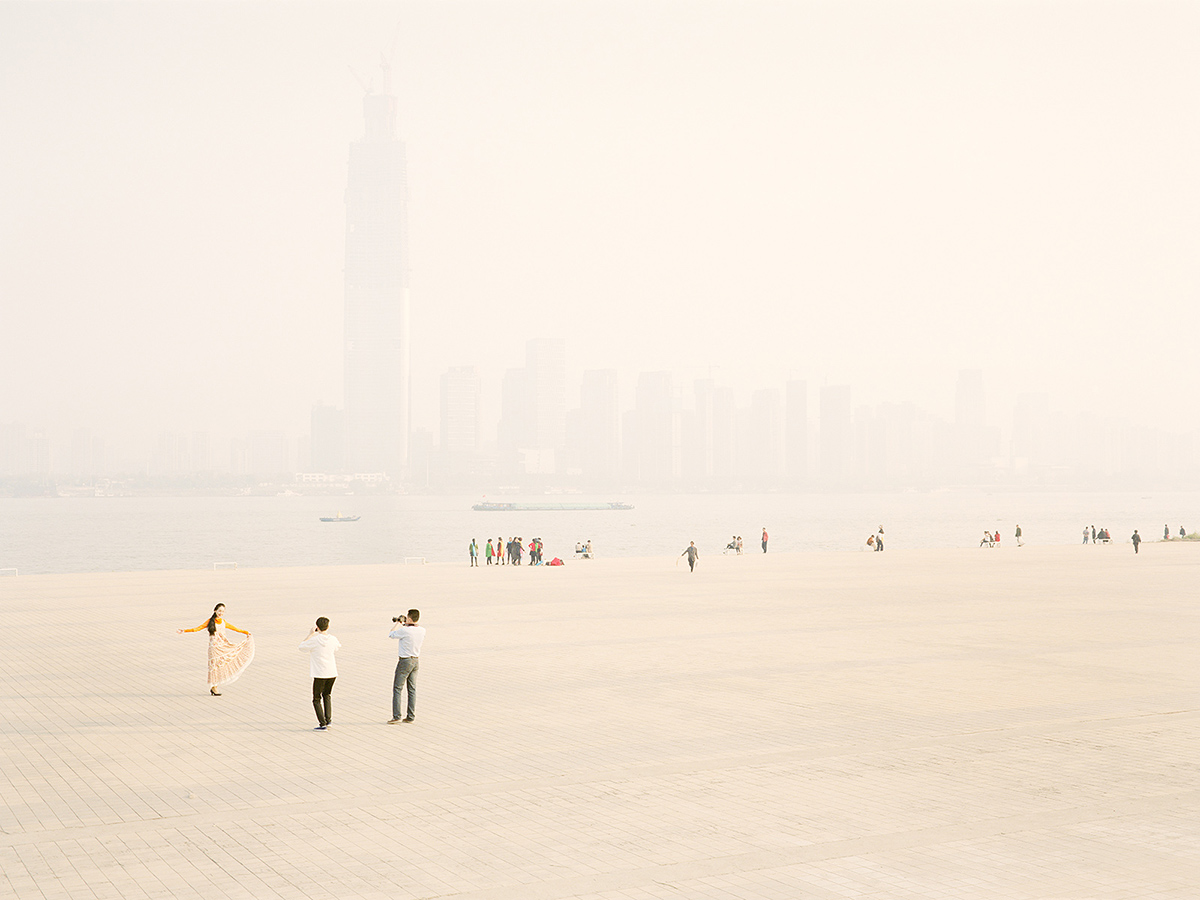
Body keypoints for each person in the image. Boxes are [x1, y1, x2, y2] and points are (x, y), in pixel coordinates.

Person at [177, 603, 254, 696]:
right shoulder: (210, 621)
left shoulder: (223, 622)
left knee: (224, 662)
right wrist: (184, 630)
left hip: (222, 646)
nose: (221, 613)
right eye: (219, 611)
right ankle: (214, 687)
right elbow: (197, 628)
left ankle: (214, 687)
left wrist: (246, 632)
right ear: (215, 611)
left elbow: (235, 629)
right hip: (214, 649)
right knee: (214, 667)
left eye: (223, 611)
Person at [299, 617, 341, 731]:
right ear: (328, 626)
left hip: (319, 673)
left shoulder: (314, 640)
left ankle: (322, 724)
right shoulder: (333, 639)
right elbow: (337, 647)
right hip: (332, 672)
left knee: (316, 698)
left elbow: (301, 647)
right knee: (327, 695)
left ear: (317, 627)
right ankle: (329, 721)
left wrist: (310, 634)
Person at [388, 610, 426, 724]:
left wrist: (399, 622)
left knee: (397, 688)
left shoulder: (405, 630)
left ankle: (396, 716)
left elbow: (391, 634)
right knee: (412, 689)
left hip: (405, 661)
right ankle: (410, 716)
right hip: (415, 660)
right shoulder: (422, 630)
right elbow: (412, 628)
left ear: (409, 618)